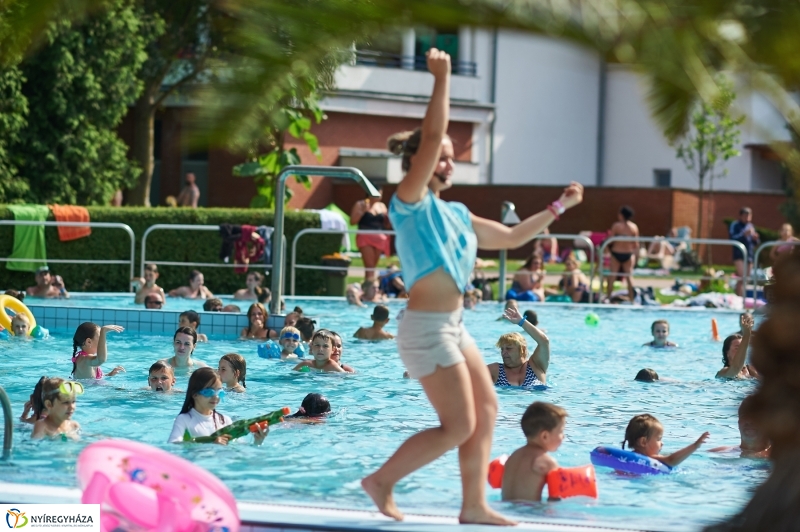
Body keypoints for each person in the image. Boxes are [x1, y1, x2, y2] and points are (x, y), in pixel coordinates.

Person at [361, 48, 583, 525]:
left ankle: (474, 505)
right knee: (459, 425)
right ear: (420, 161)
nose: (447, 162)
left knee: (488, 410)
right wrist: (442, 80)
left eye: (449, 160)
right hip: (425, 328)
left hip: (454, 326)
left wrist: (560, 207)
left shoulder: (458, 215)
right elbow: (436, 134)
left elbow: (513, 237)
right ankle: (381, 481)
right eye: (438, 158)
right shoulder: (409, 202)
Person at [168, 367, 267, 445]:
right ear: (195, 394)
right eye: (209, 392)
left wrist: (258, 441)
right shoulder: (184, 420)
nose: (215, 396)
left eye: (219, 392)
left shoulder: (224, 420)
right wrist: (210, 443)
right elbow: (173, 445)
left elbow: (238, 448)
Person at [500, 402, 567, 502]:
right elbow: (554, 500)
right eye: (561, 431)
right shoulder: (547, 462)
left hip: (505, 511)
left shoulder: (514, 456)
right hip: (529, 514)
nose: (563, 436)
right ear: (545, 436)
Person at [488, 307, 549, 387]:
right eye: (502, 349)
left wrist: (522, 322)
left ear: (522, 349)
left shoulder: (536, 366)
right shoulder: (496, 370)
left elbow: (544, 342)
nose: (503, 352)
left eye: (509, 348)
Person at [622, 414, 709, 467]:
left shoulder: (626, 456)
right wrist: (695, 446)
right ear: (643, 442)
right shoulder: (650, 458)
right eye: (659, 439)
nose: (662, 443)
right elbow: (671, 461)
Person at [351, 188, 391, 281]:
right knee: (369, 266)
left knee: (373, 267)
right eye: (377, 194)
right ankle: (370, 290)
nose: (378, 197)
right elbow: (352, 222)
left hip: (380, 239)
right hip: (365, 237)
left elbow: (387, 225)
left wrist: (389, 217)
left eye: (380, 195)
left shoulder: (382, 206)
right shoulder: (361, 204)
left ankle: (369, 289)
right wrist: (363, 211)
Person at [605, 205, 639, 303]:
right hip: (628, 253)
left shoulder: (616, 226)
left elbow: (611, 241)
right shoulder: (634, 227)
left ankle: (608, 298)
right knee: (629, 277)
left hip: (616, 252)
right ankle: (632, 300)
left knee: (612, 276)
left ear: (622, 215)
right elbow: (635, 244)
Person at [729, 207, 759, 297]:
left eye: (749, 215)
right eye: (745, 215)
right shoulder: (735, 225)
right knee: (742, 277)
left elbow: (754, 242)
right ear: (741, 216)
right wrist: (744, 235)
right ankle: (739, 297)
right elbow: (732, 238)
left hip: (749, 255)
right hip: (739, 254)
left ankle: (741, 296)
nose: (747, 217)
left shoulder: (751, 226)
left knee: (746, 279)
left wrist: (756, 239)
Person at [716, 314, 758, 379]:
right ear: (727, 353)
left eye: (744, 347)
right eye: (737, 348)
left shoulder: (750, 370)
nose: (742, 350)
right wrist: (747, 334)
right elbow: (736, 368)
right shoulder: (723, 372)